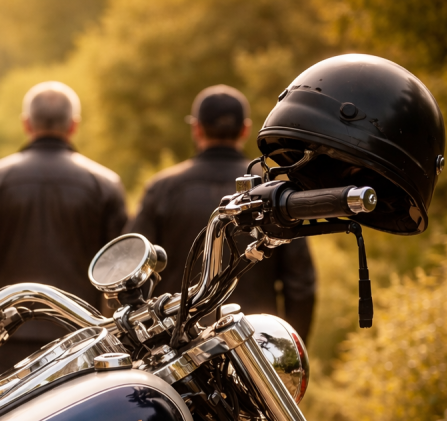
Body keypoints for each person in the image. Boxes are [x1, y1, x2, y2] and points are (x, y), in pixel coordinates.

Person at [0, 81, 128, 386]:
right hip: (78, 335)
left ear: (27, 123)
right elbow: (120, 267)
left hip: (5, 334)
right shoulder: (104, 184)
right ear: (73, 125)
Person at [127, 85, 317, 339]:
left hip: (177, 348)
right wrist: (291, 346)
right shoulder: (275, 190)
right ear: (245, 129)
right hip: (254, 344)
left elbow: (132, 269)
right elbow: (300, 284)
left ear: (196, 128)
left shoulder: (163, 189)